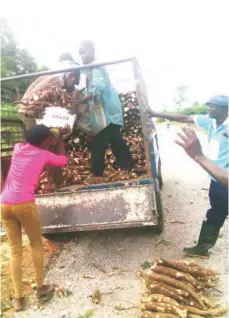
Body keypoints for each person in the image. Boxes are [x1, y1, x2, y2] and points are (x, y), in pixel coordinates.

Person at [148, 94, 228, 257]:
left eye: (212, 106)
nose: (208, 108)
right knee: (216, 211)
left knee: (217, 211)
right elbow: (185, 117)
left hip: (225, 179)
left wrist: (199, 156)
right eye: (208, 105)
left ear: (224, 109)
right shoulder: (211, 121)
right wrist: (157, 114)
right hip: (216, 179)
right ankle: (202, 247)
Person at [0, 125, 68, 311]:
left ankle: (19, 299)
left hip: (4, 204)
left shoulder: (18, 148)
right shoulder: (43, 155)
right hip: (24, 204)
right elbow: (63, 161)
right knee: (36, 244)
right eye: (48, 139)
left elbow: (32, 141)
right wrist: (60, 140)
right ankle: (40, 287)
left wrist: (47, 135)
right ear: (44, 140)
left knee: (15, 251)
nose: (49, 142)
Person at [77, 40, 133, 177]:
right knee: (109, 140)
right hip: (100, 114)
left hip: (107, 112)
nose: (81, 56)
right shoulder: (89, 72)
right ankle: (126, 167)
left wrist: (79, 101)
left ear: (92, 51)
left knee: (107, 140)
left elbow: (97, 89)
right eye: (80, 53)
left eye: (83, 52)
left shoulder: (97, 68)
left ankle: (102, 172)